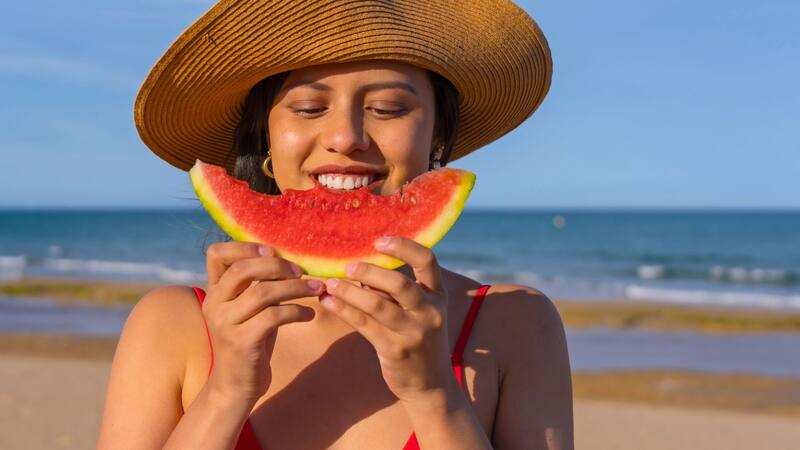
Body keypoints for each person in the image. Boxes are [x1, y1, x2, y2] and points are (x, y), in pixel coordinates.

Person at [97, 1, 572, 449]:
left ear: (438, 135)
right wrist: (226, 391)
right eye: (308, 108)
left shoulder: (516, 323)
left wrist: (433, 395)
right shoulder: (171, 324)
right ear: (265, 133)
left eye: (387, 108)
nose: (345, 138)